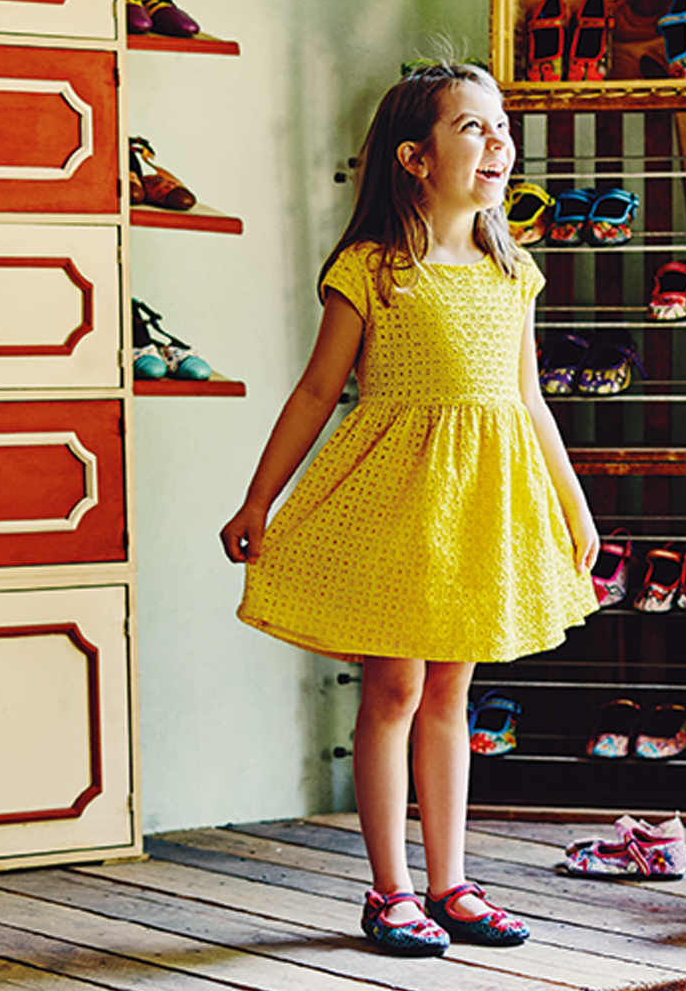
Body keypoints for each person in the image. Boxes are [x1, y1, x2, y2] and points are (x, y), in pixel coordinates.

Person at [220, 63, 599, 958]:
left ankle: (451, 884)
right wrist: (259, 497)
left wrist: (573, 506)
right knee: (393, 687)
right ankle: (389, 890)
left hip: (483, 509)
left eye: (502, 125)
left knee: (452, 693)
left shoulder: (514, 274)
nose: (498, 141)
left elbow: (529, 399)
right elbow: (319, 391)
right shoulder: (371, 269)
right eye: (474, 127)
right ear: (415, 158)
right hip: (395, 504)